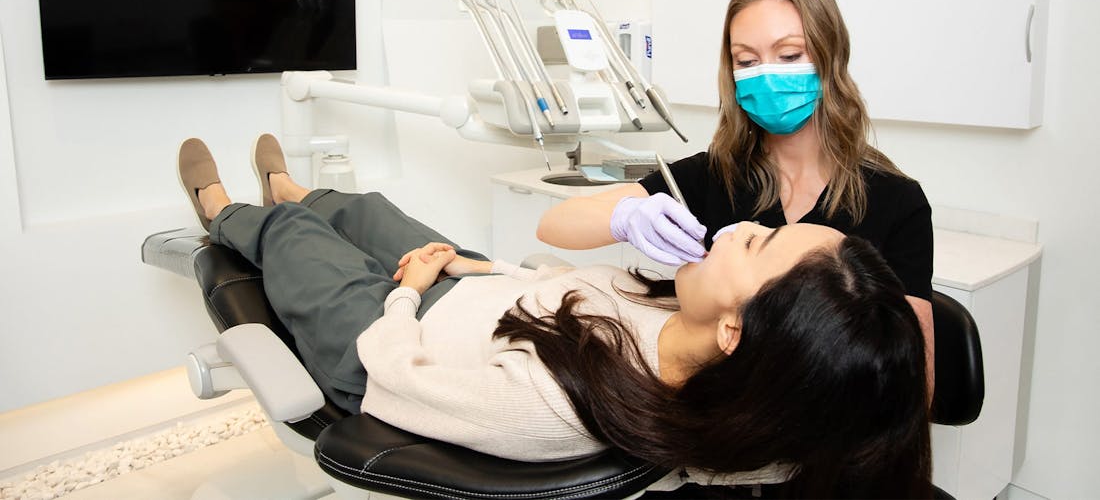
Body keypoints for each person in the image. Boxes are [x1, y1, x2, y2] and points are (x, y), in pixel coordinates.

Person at [178, 133, 931, 497]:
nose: (735, 225)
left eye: (756, 241)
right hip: (469, 292)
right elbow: (554, 290)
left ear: (734, 331)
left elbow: (399, 377)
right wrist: (471, 267)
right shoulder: (673, 320)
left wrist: (405, 291)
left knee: (295, 236)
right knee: (364, 206)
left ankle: (227, 210)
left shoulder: (556, 406)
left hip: (382, 344)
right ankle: (286, 185)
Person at [536, 0, 936, 392]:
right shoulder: (715, 175)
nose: (765, 74)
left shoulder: (896, 202)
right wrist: (626, 216)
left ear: (830, 55)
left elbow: (916, 387)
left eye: (788, 56)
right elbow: (554, 225)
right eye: (746, 60)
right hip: (715, 416)